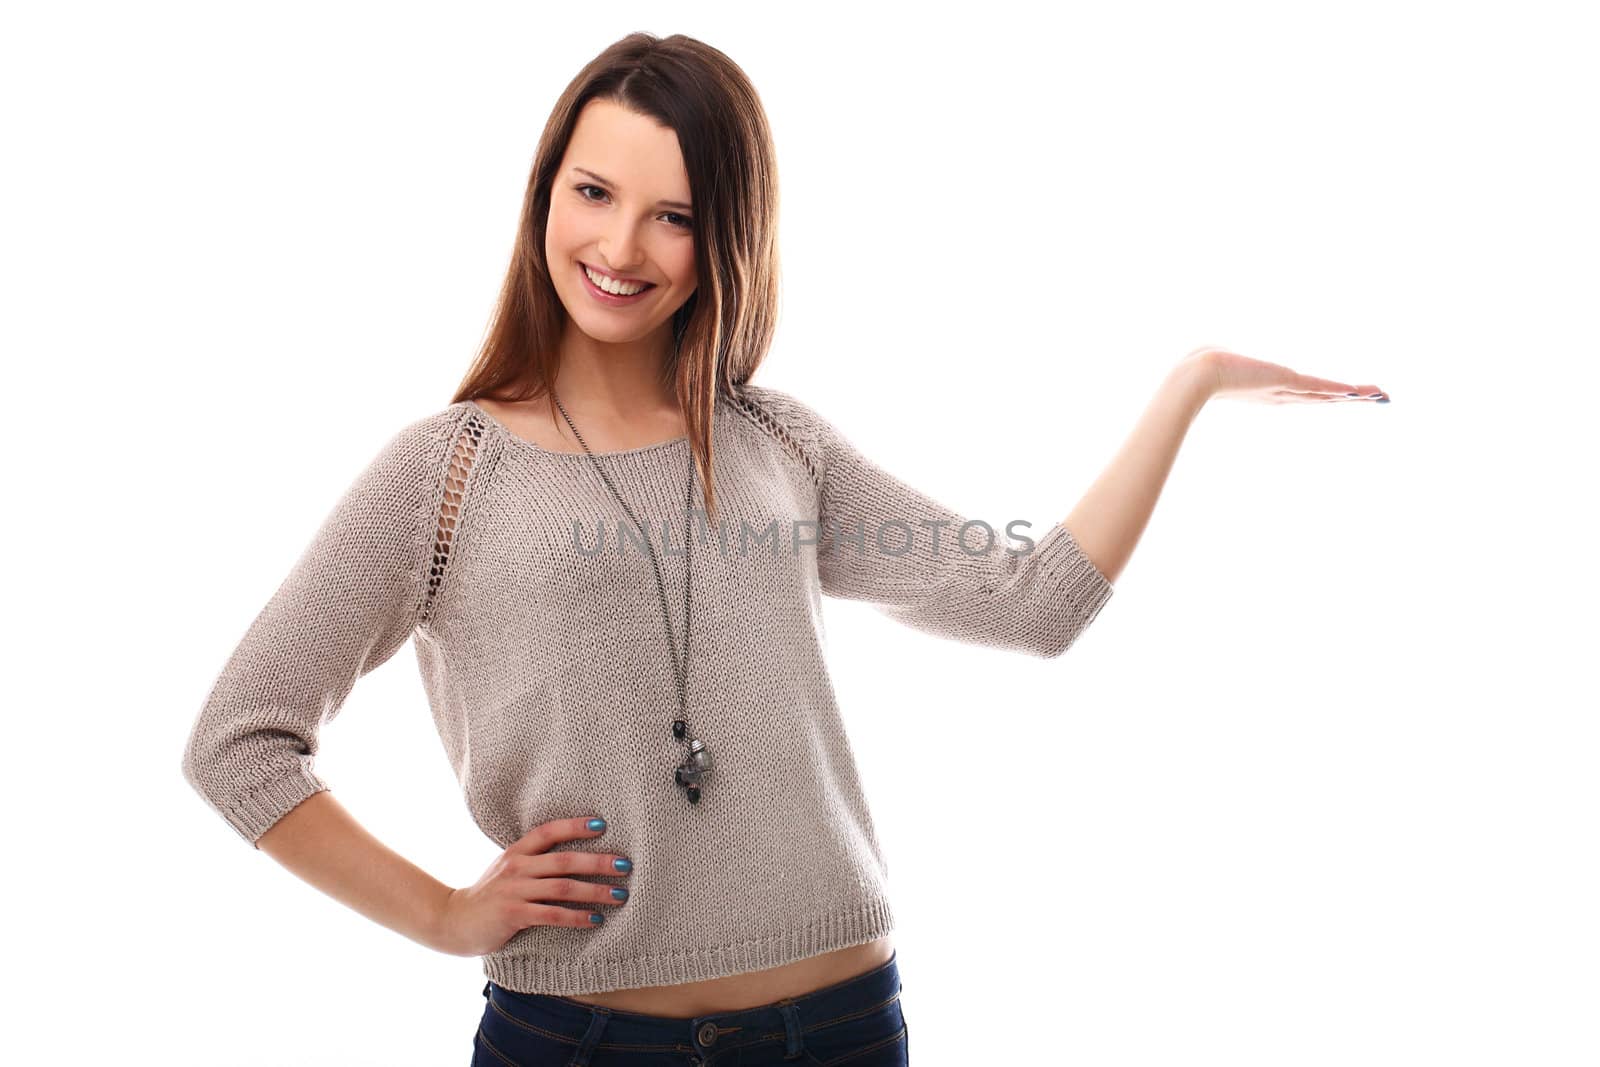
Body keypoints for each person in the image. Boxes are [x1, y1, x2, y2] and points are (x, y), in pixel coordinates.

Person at [180, 32, 1389, 1066]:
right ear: (544, 192)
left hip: (845, 1022)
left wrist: (1191, 387)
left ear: (727, 238)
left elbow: (1034, 602)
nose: (621, 248)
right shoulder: (444, 470)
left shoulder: (776, 446)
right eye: (592, 193)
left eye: (676, 217)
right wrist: (446, 912)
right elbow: (241, 742)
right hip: (582, 1036)